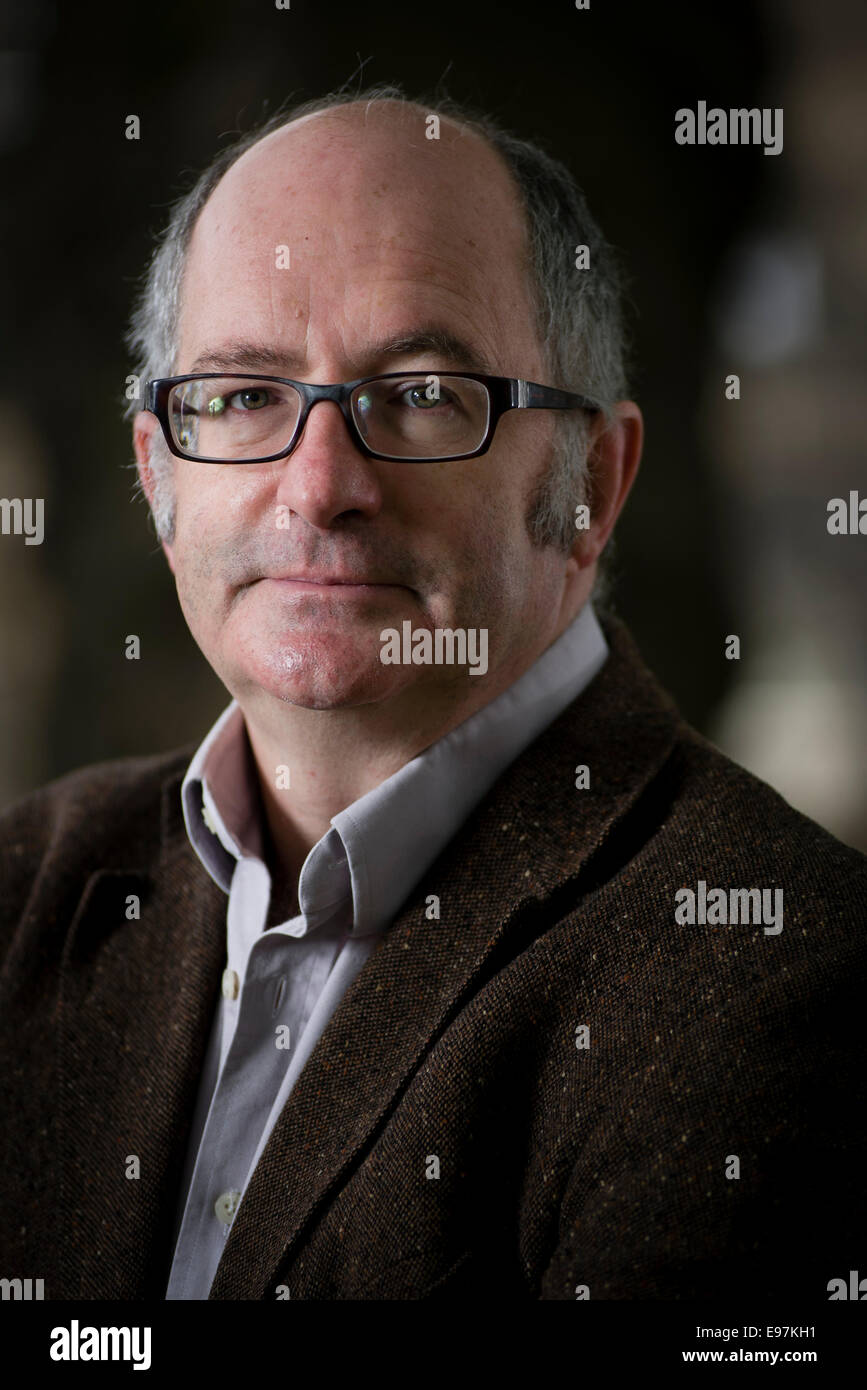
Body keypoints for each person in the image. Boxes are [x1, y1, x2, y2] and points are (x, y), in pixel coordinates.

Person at [1, 86, 864, 1302]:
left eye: (417, 395)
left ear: (589, 486)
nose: (316, 488)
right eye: (245, 396)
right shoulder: (25, 888)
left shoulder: (787, 975)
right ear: (160, 479)